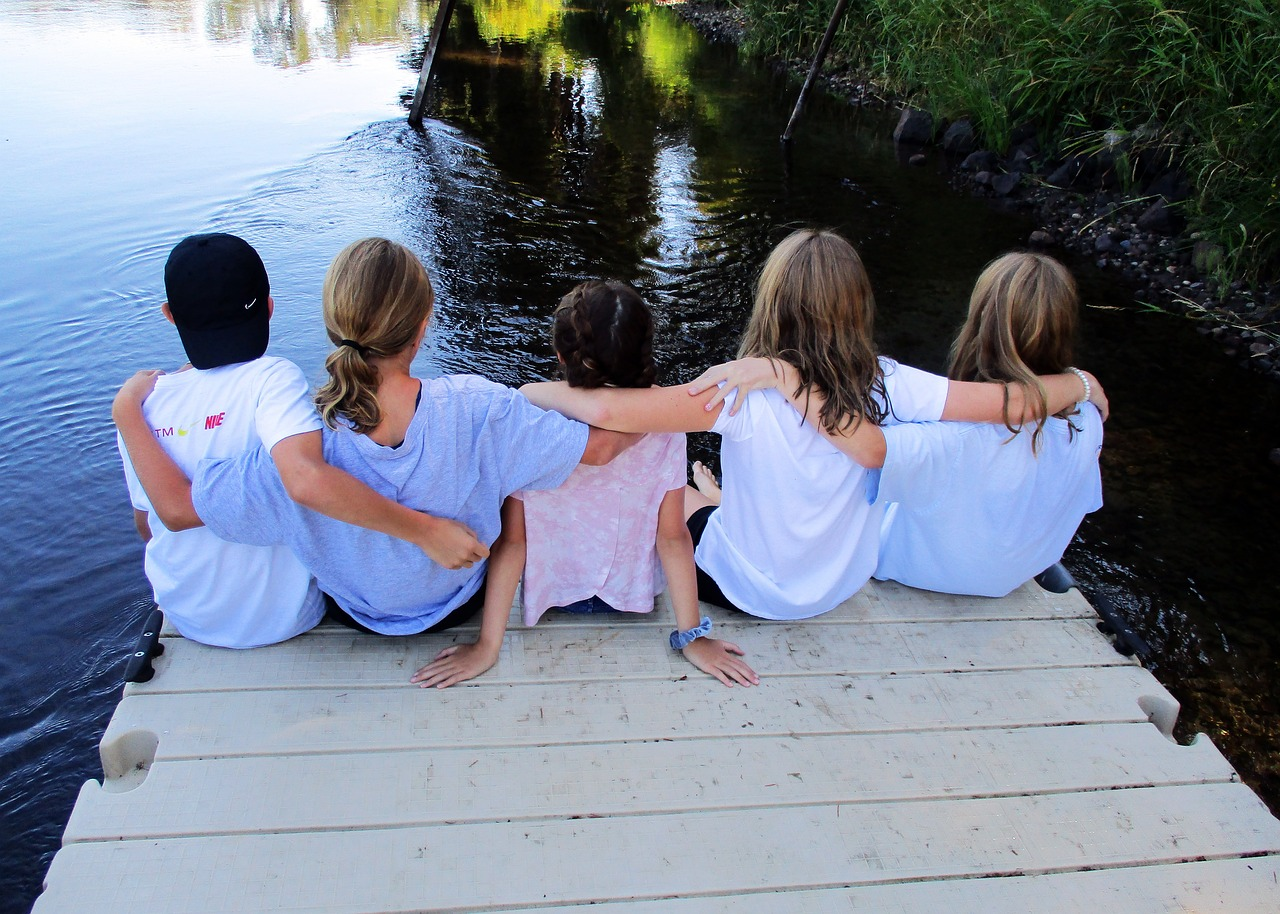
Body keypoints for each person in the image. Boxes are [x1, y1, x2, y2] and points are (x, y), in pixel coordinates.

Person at [520, 229, 1106, 626]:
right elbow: (1009, 402)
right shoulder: (890, 382)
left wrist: (529, 391)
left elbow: (609, 412)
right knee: (710, 493)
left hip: (747, 592)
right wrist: (1079, 384)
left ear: (772, 304)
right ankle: (719, 499)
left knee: (671, 505)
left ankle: (712, 502)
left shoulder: (739, 396)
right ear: (856, 307)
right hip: (832, 591)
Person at [117, 237, 632, 686]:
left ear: (333, 322)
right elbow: (603, 446)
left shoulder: (299, 442)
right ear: (424, 322)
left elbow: (177, 508)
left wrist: (126, 411)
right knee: (512, 482)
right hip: (459, 602)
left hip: (357, 612)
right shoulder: (481, 408)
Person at [113, 233, 486, 649]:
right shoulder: (272, 380)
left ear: (169, 314)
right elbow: (305, 480)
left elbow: (149, 525)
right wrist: (425, 531)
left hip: (187, 616)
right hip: (286, 616)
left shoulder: (144, 407)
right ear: (270, 308)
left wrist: (125, 412)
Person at [501, 281, 757, 687]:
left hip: (556, 598)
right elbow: (672, 539)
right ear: (644, 354)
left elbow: (513, 542)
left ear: (561, 355)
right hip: (630, 600)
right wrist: (692, 636)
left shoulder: (529, 422)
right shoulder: (667, 427)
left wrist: (487, 644)